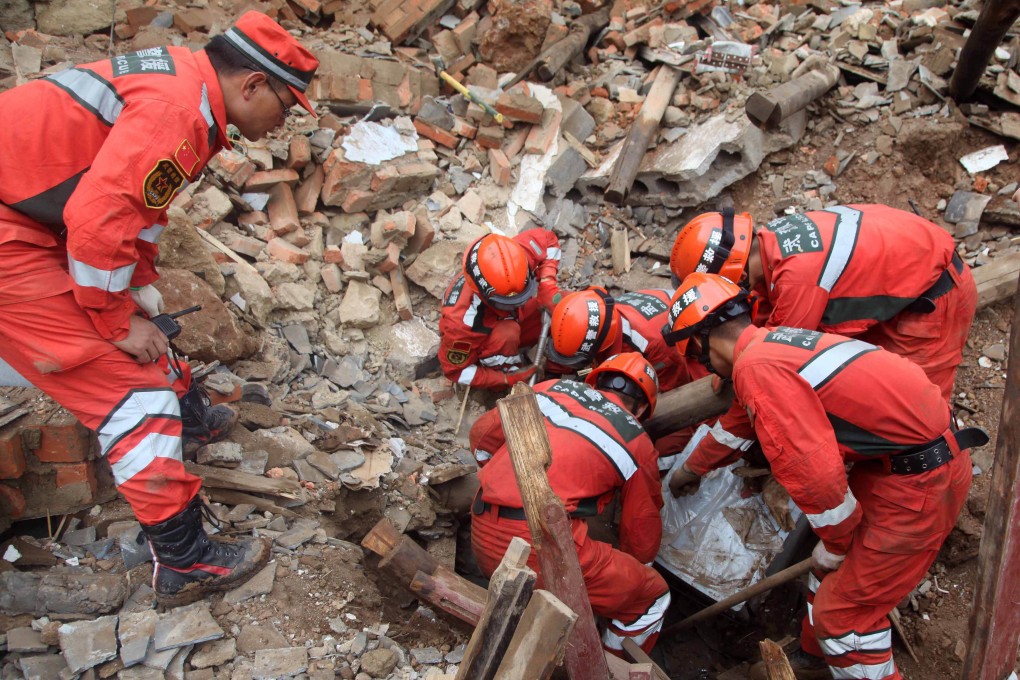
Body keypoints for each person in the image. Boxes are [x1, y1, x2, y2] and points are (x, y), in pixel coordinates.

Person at [0, 11, 319, 605]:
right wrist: (116, 322)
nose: (286, 122)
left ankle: (184, 417)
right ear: (251, 84)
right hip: (12, 232)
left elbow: (136, 217)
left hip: (28, 212)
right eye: (287, 104)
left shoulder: (187, 91)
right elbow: (97, 225)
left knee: (146, 324)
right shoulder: (177, 111)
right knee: (129, 388)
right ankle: (183, 561)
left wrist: (136, 299)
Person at [661, 273, 986, 679]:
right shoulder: (772, 345)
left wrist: (837, 540)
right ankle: (816, 660)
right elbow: (738, 424)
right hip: (906, 462)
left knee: (844, 620)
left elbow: (813, 471)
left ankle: (845, 652)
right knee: (826, 576)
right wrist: (691, 470)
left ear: (699, 342)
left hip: (919, 485)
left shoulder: (758, 370)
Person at [668, 204, 976, 479]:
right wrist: (726, 364)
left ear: (731, 276)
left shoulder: (799, 279)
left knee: (920, 411)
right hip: (907, 273)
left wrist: (696, 464)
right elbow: (760, 319)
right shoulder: (769, 242)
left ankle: (933, 479)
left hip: (933, 298)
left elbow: (768, 367)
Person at [469, 353, 670, 654]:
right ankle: (611, 666)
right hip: (542, 551)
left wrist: (496, 473)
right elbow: (641, 528)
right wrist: (635, 574)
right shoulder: (637, 441)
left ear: (596, 380)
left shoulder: (549, 388)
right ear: (641, 408)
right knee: (652, 598)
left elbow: (481, 435)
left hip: (482, 528)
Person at [547, 286, 710, 460]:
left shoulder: (652, 345)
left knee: (660, 445)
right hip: (658, 310)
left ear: (601, 346)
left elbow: (672, 391)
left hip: (688, 351)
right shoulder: (587, 314)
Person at [438, 230, 564, 390]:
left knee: (565, 306)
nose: (515, 304)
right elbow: (457, 372)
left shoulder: (514, 259)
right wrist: (505, 379)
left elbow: (548, 239)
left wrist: (547, 283)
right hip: (491, 338)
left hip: (513, 317)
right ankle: (511, 378)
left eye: (521, 296)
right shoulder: (460, 324)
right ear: (483, 295)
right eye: (507, 302)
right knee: (506, 335)